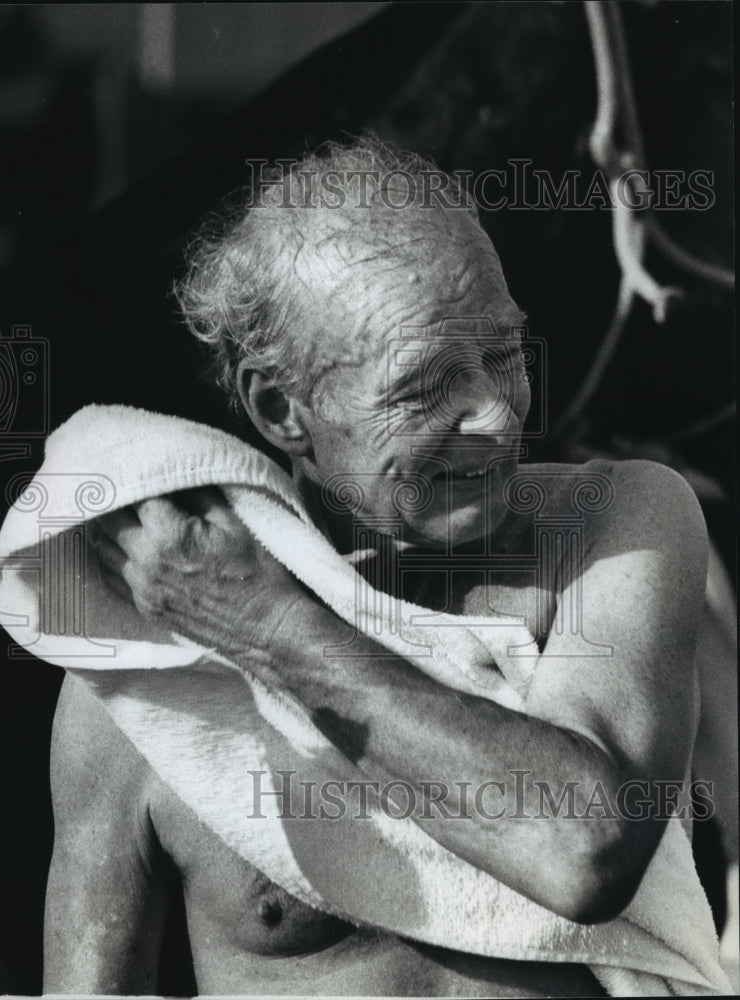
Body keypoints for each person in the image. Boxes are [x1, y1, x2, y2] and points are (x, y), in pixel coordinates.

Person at [43, 139, 709, 996]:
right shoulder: (144, 679)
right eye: (428, 386)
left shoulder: (611, 528)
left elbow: (582, 847)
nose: (498, 417)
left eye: (504, 354)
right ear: (281, 409)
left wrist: (274, 627)